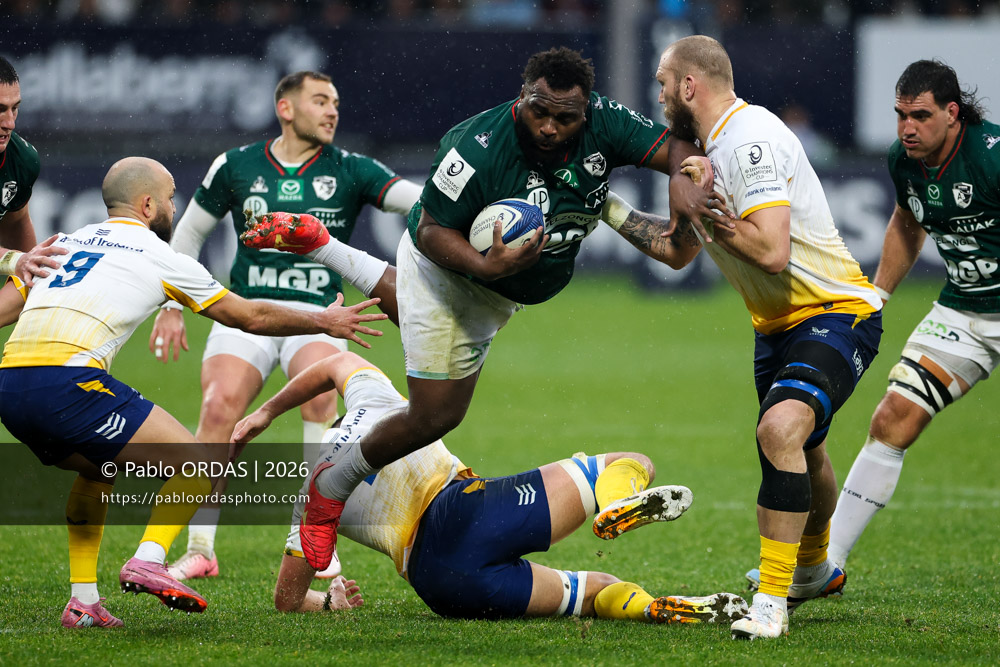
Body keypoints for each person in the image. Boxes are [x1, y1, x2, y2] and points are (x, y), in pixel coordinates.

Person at [272, 46, 728, 578]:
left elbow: (678, 151)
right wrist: (485, 267)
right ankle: (330, 486)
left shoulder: (605, 121)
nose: (550, 127)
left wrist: (682, 182)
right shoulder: (476, 145)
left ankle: (323, 244)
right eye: (540, 111)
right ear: (521, 96)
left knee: (676, 251)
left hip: (498, 291)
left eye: (565, 118)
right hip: (443, 273)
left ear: (586, 110)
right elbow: (430, 230)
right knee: (436, 415)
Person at [0, 156, 386, 628]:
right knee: (200, 463)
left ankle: (83, 603)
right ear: (147, 205)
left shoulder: (63, 242)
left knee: (97, 469)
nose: (174, 206)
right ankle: (148, 560)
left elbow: (7, 308)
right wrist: (323, 321)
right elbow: (249, 317)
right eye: (169, 197)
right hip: (69, 384)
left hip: (10, 386)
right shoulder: (161, 256)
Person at [603, 36, 883, 639]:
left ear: (689, 86)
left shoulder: (748, 138)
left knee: (779, 430)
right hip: (776, 328)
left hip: (836, 312)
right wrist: (605, 206)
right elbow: (677, 252)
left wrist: (705, 213)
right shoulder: (707, 150)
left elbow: (772, 251)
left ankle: (771, 605)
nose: (658, 95)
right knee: (805, 449)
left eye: (662, 83)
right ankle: (813, 570)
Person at [231, 350, 749, 624]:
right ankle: (617, 501)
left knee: (591, 593)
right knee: (631, 462)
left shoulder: (311, 493)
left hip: (439, 584)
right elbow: (330, 364)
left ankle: (650, 608)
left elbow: (286, 600)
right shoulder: (374, 401)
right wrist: (264, 412)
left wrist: (329, 604)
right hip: (463, 515)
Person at [150, 70, 421, 581]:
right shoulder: (236, 165)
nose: (332, 110)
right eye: (320, 100)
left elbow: (418, 200)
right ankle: (201, 548)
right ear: (286, 108)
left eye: (335, 102)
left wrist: (469, 197)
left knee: (320, 402)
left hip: (321, 315)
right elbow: (188, 234)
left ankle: (309, 540)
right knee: (219, 407)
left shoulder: (352, 168)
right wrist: (171, 306)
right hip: (245, 311)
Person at [823, 61, 1000, 568]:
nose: (907, 128)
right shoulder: (903, 160)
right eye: (901, 115)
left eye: (920, 116)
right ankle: (825, 564)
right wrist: (878, 294)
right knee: (892, 418)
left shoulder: (992, 157)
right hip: (963, 310)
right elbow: (907, 221)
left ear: (952, 113)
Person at [0, 55, 69, 286]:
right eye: (0, 110)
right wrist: (15, 260)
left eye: (15, 109)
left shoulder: (22, 160)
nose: (10, 123)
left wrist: (32, 269)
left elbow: (16, 223)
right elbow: (18, 260)